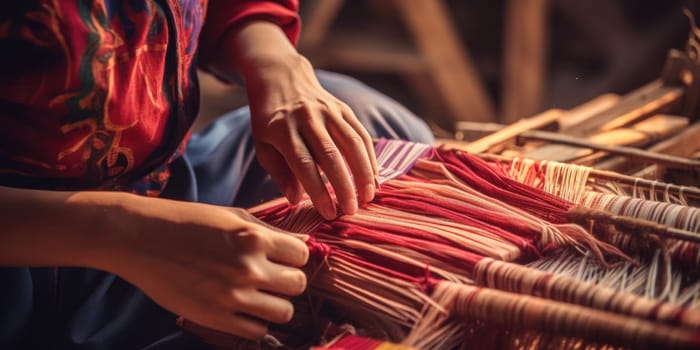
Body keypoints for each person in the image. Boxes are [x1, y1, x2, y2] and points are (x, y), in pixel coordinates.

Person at [0, 1, 434, 349]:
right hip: (28, 256)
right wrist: (122, 233)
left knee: (376, 130)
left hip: (167, 185)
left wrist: (276, 62)